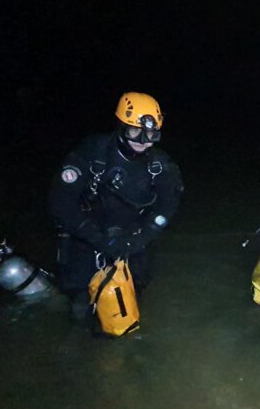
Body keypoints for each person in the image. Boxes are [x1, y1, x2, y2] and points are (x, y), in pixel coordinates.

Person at [50, 92, 184, 321]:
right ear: (121, 125)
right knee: (80, 306)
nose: (142, 141)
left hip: (132, 240)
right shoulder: (93, 152)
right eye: (135, 132)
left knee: (128, 305)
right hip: (87, 235)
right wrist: (97, 237)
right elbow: (61, 202)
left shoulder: (160, 165)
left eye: (151, 134)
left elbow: (168, 205)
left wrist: (142, 238)